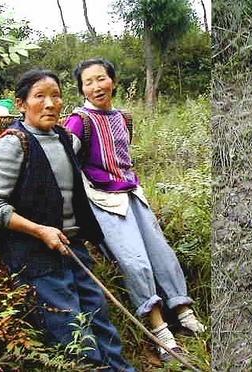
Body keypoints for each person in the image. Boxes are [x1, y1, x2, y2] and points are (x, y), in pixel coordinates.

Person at [0, 69, 135, 371]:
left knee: (102, 323)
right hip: (35, 254)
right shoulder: (12, 145)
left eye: (56, 96)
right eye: (40, 97)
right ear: (21, 104)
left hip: (72, 247)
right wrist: (40, 231)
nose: (50, 103)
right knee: (73, 333)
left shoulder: (64, 138)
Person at [65, 58, 205, 361]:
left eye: (100, 79)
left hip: (132, 193)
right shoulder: (79, 121)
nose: (95, 87)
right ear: (82, 90)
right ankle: (159, 329)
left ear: (112, 81)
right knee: (134, 261)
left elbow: (123, 154)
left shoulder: (124, 118)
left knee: (162, 254)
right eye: (87, 82)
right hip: (103, 200)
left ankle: (182, 309)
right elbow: (65, 158)